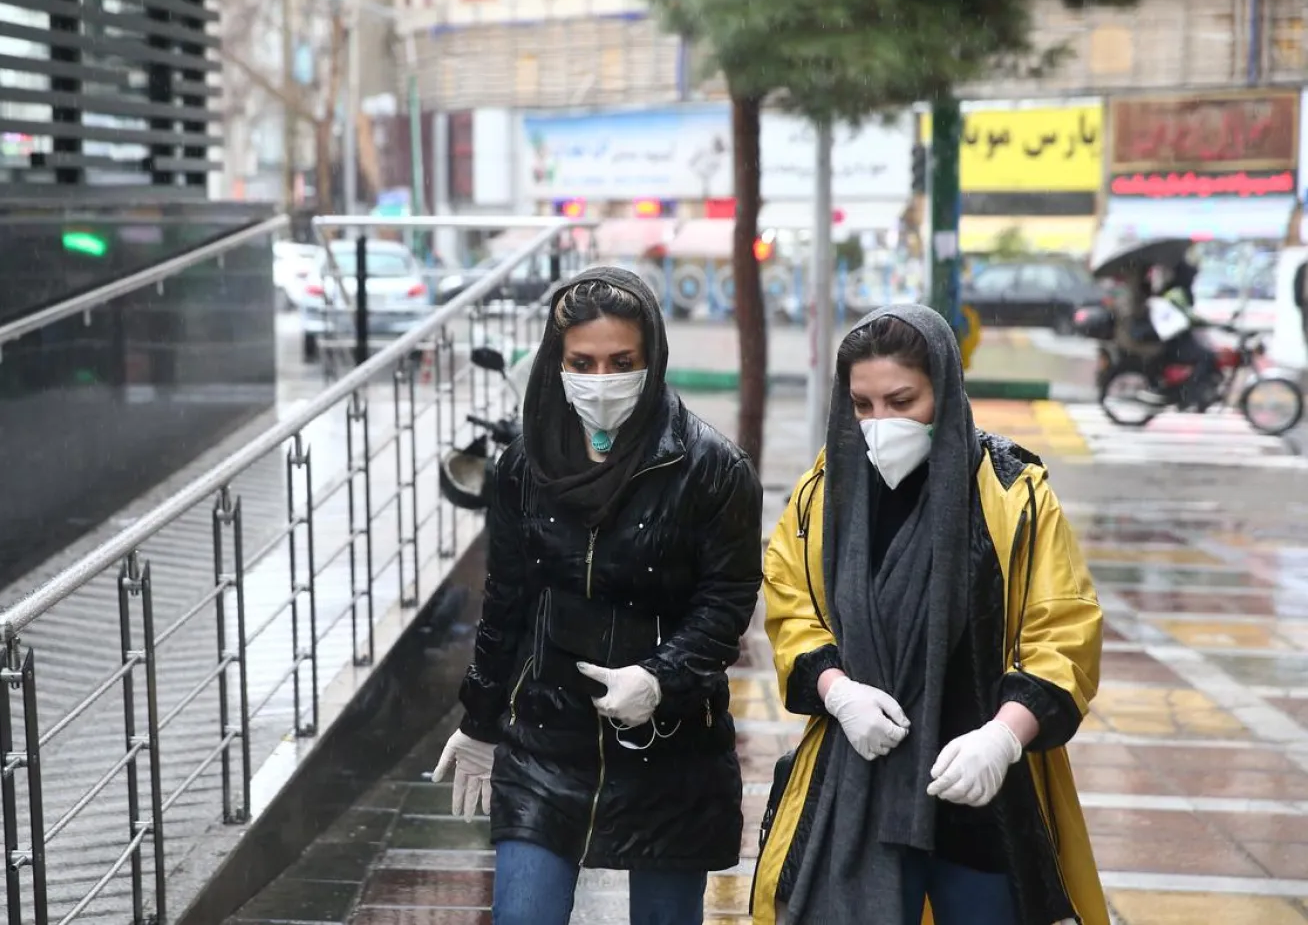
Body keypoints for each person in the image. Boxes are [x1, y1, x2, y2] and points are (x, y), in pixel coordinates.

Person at [750, 305, 1107, 925]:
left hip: (980, 799)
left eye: (901, 400)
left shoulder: (1011, 493)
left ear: (945, 388)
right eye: (862, 405)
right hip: (852, 794)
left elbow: (1063, 631)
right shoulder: (824, 493)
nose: (879, 423)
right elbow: (790, 602)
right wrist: (838, 692)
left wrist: (1002, 738)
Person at [432, 267, 764, 925]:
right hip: (548, 738)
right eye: (582, 362)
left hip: (670, 750)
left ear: (653, 359)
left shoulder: (711, 470)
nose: (602, 379)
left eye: (622, 361)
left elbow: (727, 602)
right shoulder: (524, 465)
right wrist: (479, 719)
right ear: (556, 363)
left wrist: (660, 679)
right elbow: (507, 599)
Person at [1141, 261, 1218, 410]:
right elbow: (1189, 317)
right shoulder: (1178, 293)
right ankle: (1189, 394)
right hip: (1177, 343)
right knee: (1207, 357)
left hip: (1175, 341)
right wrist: (1213, 323)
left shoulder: (1171, 290)